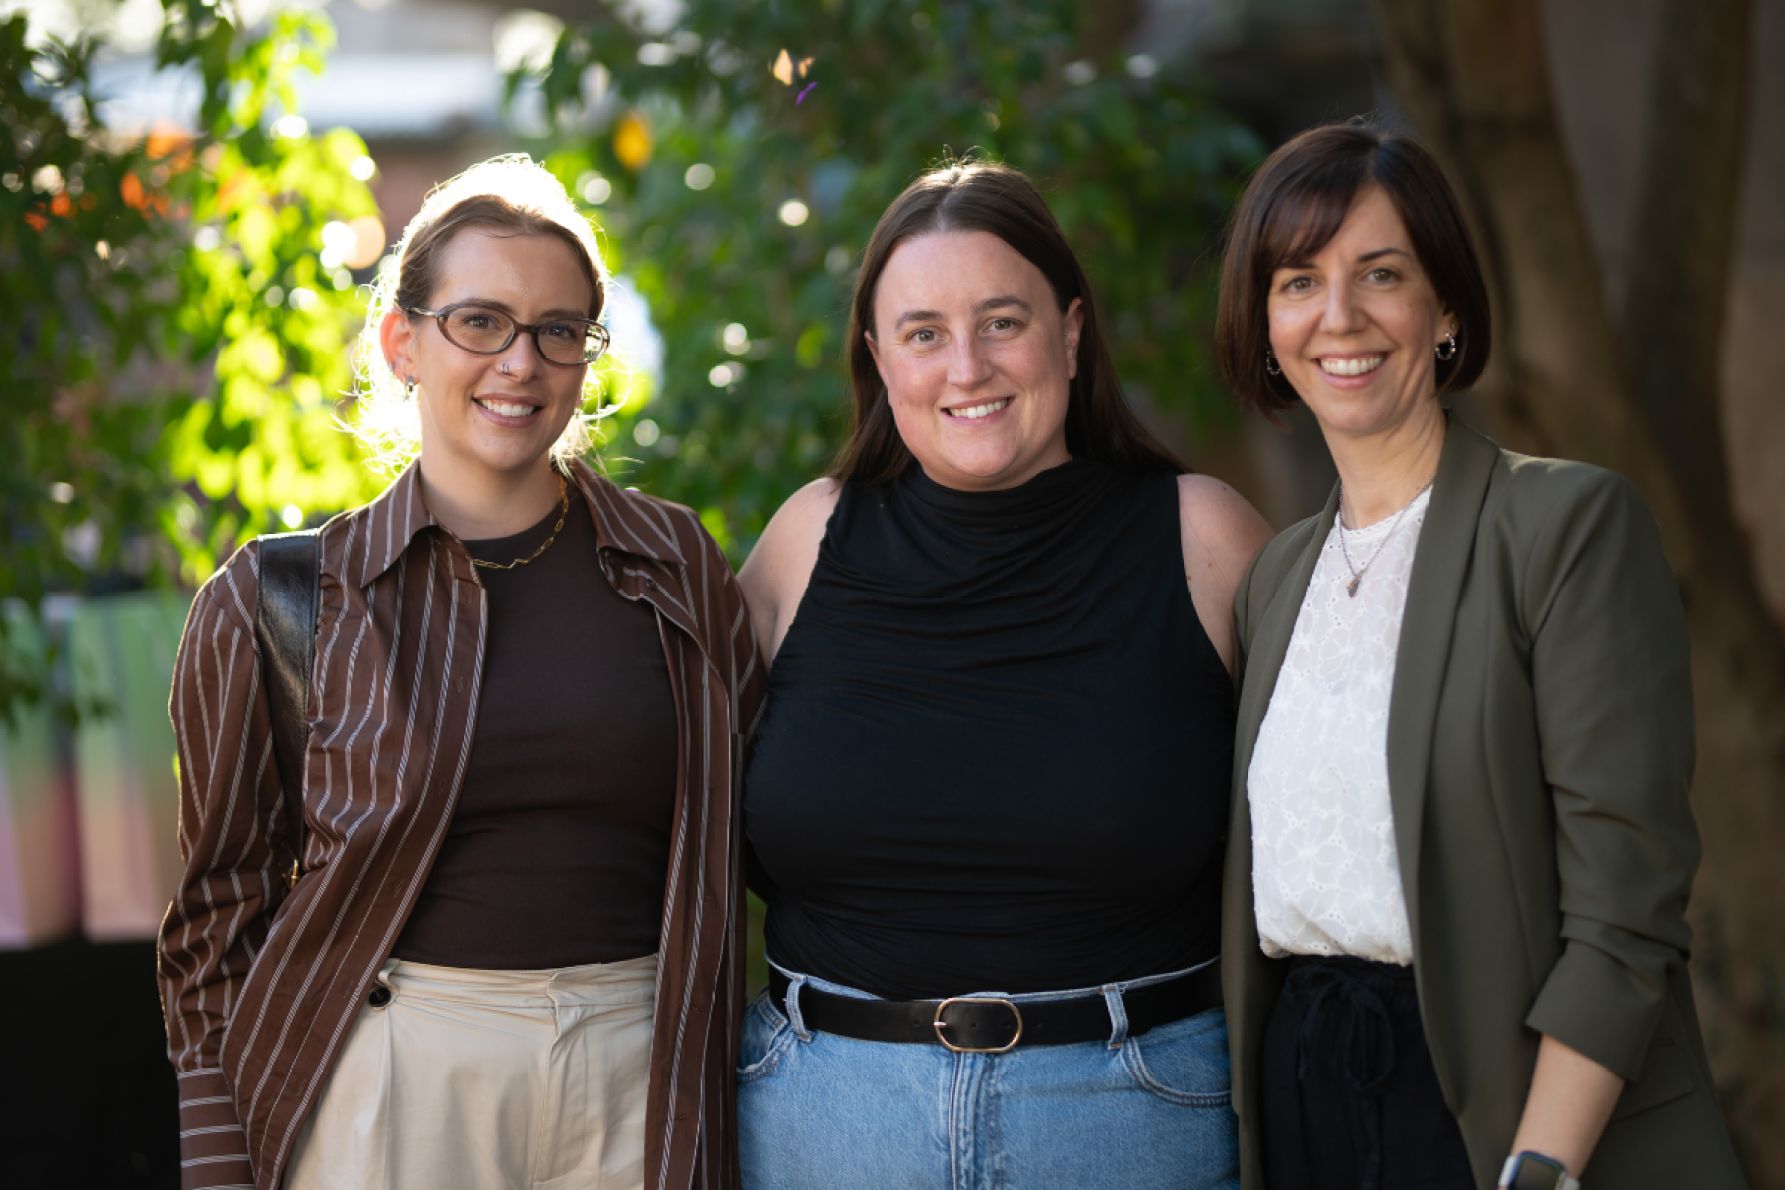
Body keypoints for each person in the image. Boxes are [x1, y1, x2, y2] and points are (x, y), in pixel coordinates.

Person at [157, 156, 762, 1190]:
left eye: (558, 330)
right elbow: (218, 908)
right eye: (480, 321)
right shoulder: (281, 600)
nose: (520, 361)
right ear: (403, 340)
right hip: (390, 1071)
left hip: (642, 1068)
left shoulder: (675, 567)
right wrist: (218, 1151)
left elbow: (756, 814)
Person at [1215, 121, 1746, 1190]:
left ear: (1446, 306)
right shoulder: (1276, 577)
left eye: (1381, 274)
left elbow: (1626, 909)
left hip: (1506, 1106)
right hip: (1305, 1094)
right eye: (1299, 281)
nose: (1340, 317)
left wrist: (1537, 1166)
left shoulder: (1564, 527)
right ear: (1266, 322)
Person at [736, 159, 1273, 1188]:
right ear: (877, 356)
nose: (966, 366)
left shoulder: (1203, 537)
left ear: (1070, 332)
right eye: (924, 332)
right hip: (821, 1118)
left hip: (1128, 1117)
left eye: (1003, 321)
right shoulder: (807, 540)